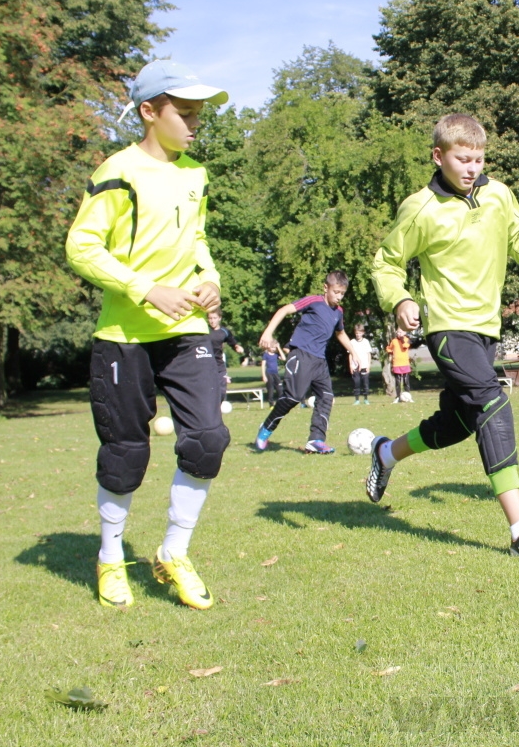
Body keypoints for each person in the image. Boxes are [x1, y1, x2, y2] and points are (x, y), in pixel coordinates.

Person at [65, 59, 231, 610]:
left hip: (186, 331)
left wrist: (208, 278)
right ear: (148, 111)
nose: (193, 124)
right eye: (182, 113)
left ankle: (173, 553)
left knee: (208, 439)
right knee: (126, 454)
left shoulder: (195, 175)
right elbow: (81, 246)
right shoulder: (118, 171)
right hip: (124, 336)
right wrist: (144, 287)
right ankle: (111, 557)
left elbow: (197, 238)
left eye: (197, 114)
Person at [366, 113, 519, 558]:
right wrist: (400, 300)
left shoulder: (498, 195)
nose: (472, 167)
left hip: (486, 328)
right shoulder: (420, 207)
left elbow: (517, 234)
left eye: (478, 158)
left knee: (458, 424)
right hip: (446, 327)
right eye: (463, 158)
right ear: (439, 157)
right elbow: (386, 262)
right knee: (494, 402)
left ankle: (385, 454)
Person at [255, 271, 357, 454]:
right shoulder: (313, 301)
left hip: (319, 361)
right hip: (301, 354)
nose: (339, 297)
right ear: (326, 288)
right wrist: (268, 333)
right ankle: (266, 427)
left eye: (342, 293)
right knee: (294, 396)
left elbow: (340, 333)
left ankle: (316, 440)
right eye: (336, 292)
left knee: (326, 397)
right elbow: (284, 310)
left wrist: (354, 352)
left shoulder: (339, 312)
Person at [208, 310, 244, 399]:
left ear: (219, 318)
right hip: (206, 364)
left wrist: (237, 347)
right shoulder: (204, 330)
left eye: (214, 318)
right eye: (210, 318)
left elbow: (232, 342)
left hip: (219, 365)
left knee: (221, 392)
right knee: (209, 392)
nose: (212, 321)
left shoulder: (224, 331)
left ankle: (217, 409)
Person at [386, 328, 413, 402]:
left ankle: (408, 396)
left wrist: (402, 340)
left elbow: (405, 346)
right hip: (396, 364)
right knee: (398, 382)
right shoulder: (394, 341)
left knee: (406, 381)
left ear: (404, 332)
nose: (399, 334)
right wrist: (391, 352)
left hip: (405, 363)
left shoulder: (407, 339)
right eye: (398, 332)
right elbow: (389, 348)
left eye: (400, 332)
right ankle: (397, 397)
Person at [349, 324, 373, 405]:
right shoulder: (352, 342)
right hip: (355, 366)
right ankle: (357, 400)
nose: (358, 335)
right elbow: (350, 354)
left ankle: (366, 399)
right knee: (356, 383)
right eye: (356, 333)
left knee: (365, 383)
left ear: (363, 333)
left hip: (364, 366)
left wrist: (368, 365)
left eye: (359, 333)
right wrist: (350, 365)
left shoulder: (366, 342)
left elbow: (369, 354)